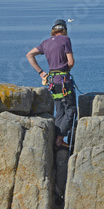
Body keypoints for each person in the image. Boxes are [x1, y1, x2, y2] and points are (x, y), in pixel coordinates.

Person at [26, 19, 76, 148]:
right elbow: (70, 62)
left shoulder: (45, 43)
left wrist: (41, 72)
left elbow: (29, 55)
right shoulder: (66, 39)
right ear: (64, 30)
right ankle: (60, 140)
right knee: (71, 110)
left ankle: (56, 140)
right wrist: (65, 71)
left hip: (53, 82)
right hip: (64, 81)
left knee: (59, 111)